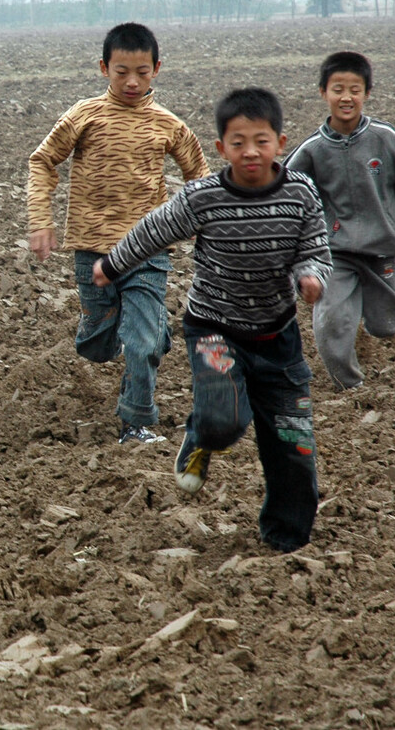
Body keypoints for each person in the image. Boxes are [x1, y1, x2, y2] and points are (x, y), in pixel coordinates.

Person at [93, 88, 332, 553]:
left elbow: (315, 247)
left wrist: (311, 276)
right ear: (220, 149)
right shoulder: (205, 196)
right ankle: (201, 434)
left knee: (294, 445)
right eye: (238, 142)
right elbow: (155, 228)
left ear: (280, 143)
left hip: (278, 337)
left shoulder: (301, 193)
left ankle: (287, 538)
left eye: (260, 141)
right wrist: (113, 263)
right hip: (215, 330)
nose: (250, 152)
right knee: (224, 421)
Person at [26, 22, 210, 445]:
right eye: (121, 71)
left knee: (142, 345)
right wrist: (41, 220)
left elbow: (200, 179)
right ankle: (137, 329)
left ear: (157, 69)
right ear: (103, 68)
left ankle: (136, 422)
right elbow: (42, 161)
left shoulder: (170, 125)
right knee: (97, 345)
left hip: (147, 249)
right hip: (92, 252)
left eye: (142, 72)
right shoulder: (84, 115)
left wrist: (209, 232)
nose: (131, 81)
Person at [284, 51, 395, 391]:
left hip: (382, 248)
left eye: (355, 89)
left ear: (367, 93)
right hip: (334, 252)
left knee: (386, 325)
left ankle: (365, 320)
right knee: (332, 321)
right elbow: (281, 189)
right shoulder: (312, 150)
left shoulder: (385, 138)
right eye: (338, 89)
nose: (346, 97)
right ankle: (350, 384)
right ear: (323, 92)